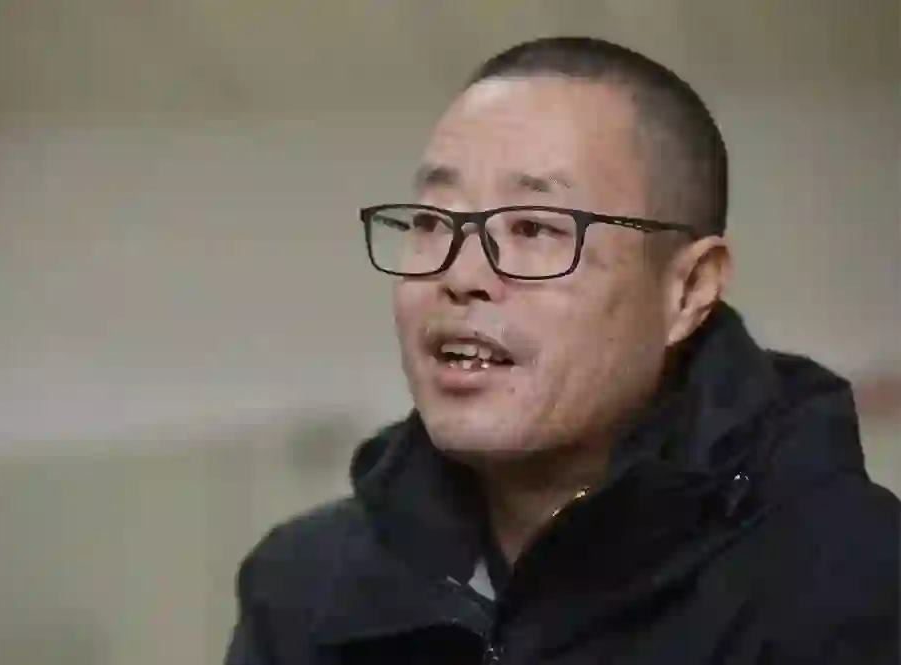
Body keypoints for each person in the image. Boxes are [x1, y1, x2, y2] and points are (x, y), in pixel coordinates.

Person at [224, 37, 899, 664]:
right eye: (432, 221)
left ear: (689, 289)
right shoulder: (302, 588)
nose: (460, 274)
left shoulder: (844, 575)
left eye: (534, 228)